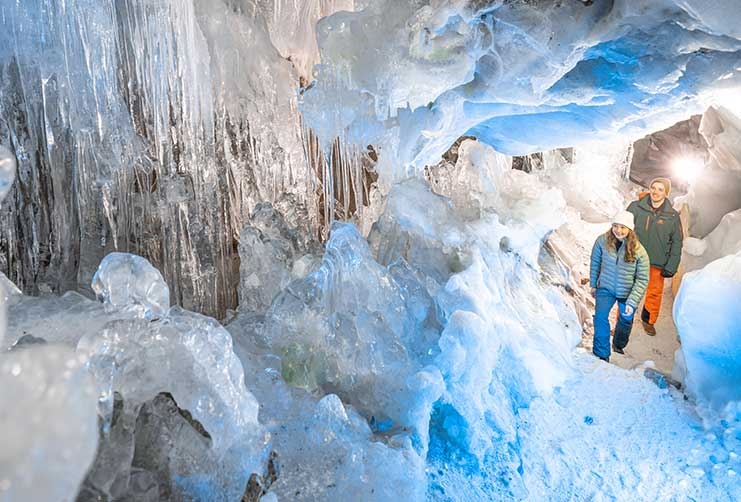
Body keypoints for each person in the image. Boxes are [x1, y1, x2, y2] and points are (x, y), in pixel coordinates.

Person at [589, 211, 650, 362]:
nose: (618, 230)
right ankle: (602, 353)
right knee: (600, 318)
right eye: (615, 226)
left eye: (623, 227)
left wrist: (632, 301)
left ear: (630, 229)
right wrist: (593, 284)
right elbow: (595, 263)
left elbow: (642, 279)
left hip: (627, 293)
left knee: (626, 319)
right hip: (606, 288)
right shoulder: (601, 242)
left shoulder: (639, 251)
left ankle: (618, 344)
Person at [626, 177, 683, 336]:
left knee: (654, 292)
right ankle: (624, 320)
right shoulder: (635, 207)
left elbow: (677, 242)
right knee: (628, 289)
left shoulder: (672, 216)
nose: (656, 192)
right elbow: (623, 230)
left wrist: (671, 266)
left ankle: (648, 320)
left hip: (656, 263)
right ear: (649, 188)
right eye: (654, 188)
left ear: (666, 193)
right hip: (634, 259)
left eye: (660, 189)